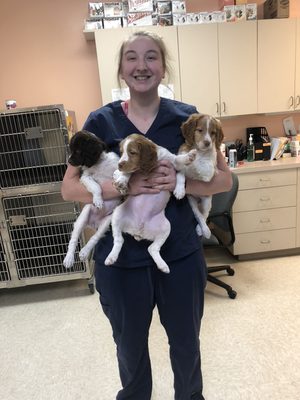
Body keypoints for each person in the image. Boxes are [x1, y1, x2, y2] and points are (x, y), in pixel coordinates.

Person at [61, 30, 232, 400]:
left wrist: (179, 180)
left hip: (180, 255)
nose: (142, 65)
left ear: (163, 67)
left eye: (151, 56)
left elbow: (223, 180)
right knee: (130, 351)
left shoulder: (188, 117)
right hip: (120, 262)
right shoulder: (101, 121)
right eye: (132, 58)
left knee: (186, 348)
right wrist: (126, 187)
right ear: (121, 70)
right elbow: (70, 188)